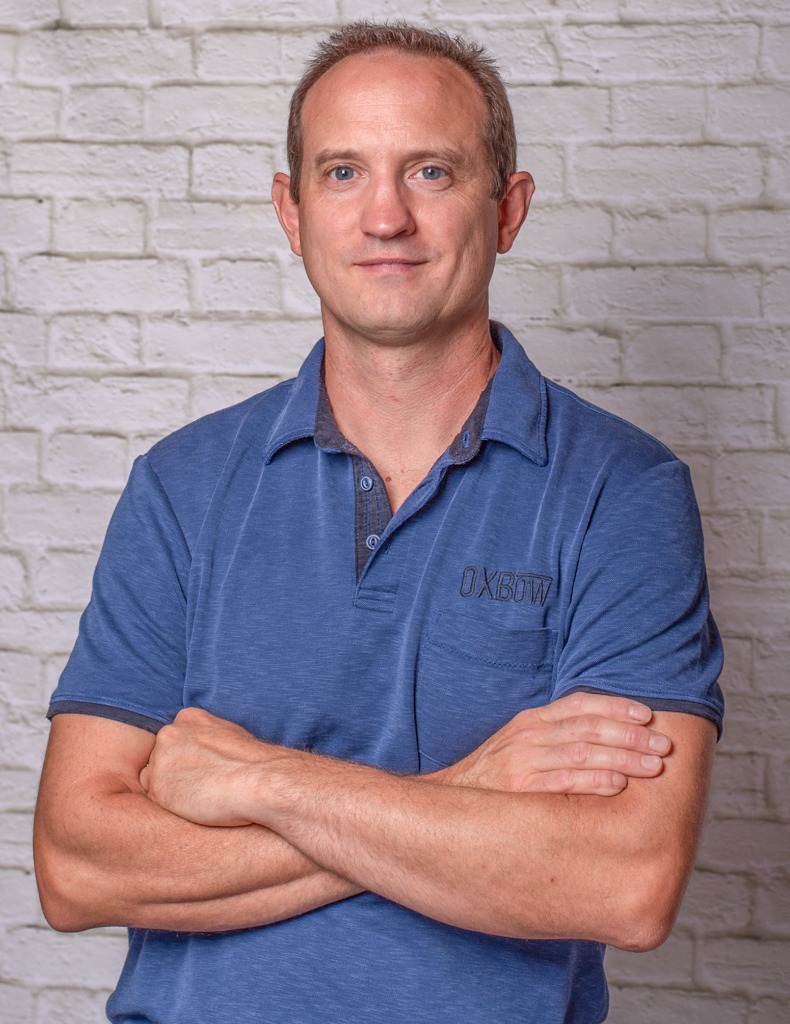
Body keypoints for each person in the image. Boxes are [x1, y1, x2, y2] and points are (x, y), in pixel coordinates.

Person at [33, 21, 724, 1024]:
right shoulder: (182, 487)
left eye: (432, 171)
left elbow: (622, 882)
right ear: (292, 209)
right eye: (344, 170)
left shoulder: (621, 492)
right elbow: (77, 865)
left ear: (509, 207)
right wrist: (467, 790)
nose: (385, 216)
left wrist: (257, 779)